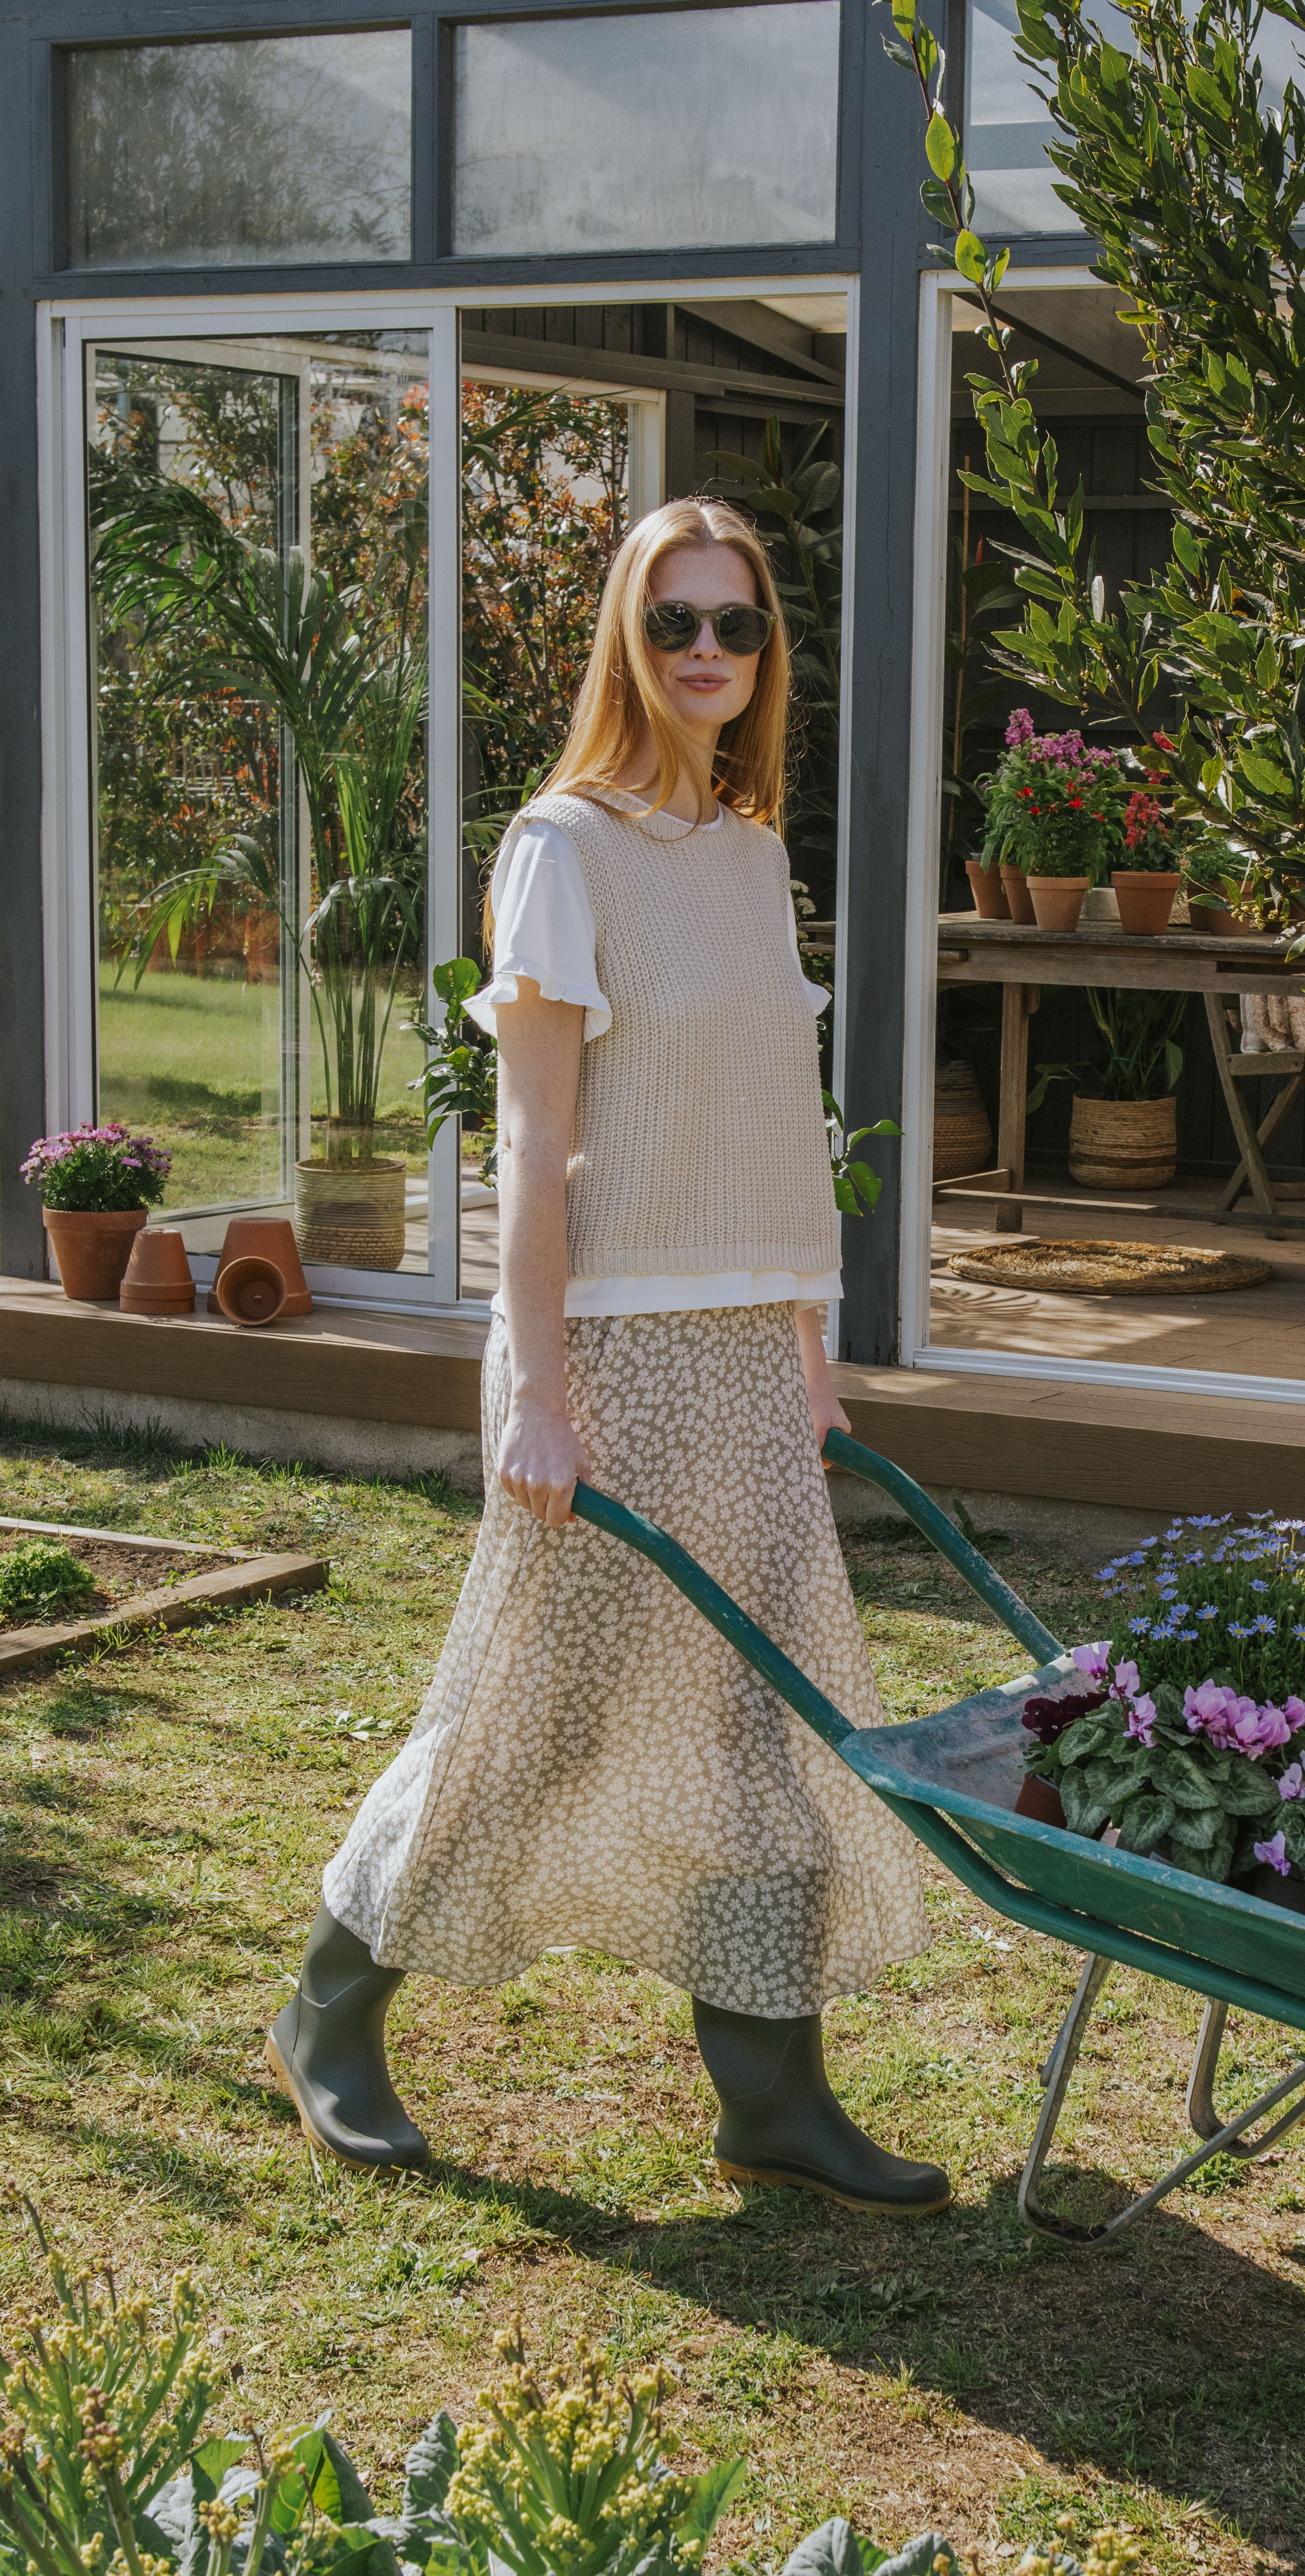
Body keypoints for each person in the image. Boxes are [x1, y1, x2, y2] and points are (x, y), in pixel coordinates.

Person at [265, 496, 947, 2217]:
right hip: (609, 1353)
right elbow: (536, 1145)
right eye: (672, 623)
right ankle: (328, 2012)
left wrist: (805, 1350)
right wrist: (542, 1396)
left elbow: (772, 1128)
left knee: (761, 1717)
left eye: (736, 625)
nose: (706, 652)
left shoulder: (747, 851)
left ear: (766, 653)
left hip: (744, 1354)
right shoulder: (562, 852)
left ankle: (771, 2095)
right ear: (624, 646)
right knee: (531, 1715)